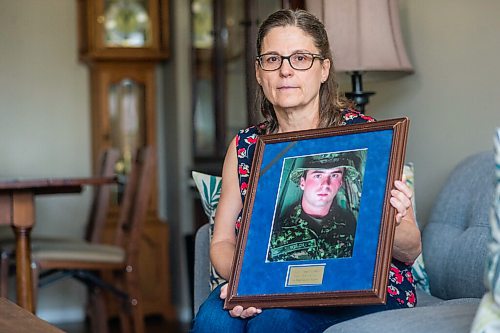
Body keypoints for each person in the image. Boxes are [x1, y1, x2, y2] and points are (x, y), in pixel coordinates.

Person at [191, 9, 421, 333]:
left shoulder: (366, 138)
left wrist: (388, 220)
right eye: (272, 59)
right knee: (212, 320)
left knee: (275, 319)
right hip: (269, 280)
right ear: (259, 72)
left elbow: (411, 249)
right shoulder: (245, 146)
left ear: (324, 68)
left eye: (300, 58)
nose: (285, 71)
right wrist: (253, 284)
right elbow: (222, 242)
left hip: (360, 286)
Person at [268, 152, 361, 261]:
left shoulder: (352, 230)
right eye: (318, 175)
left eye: (334, 175)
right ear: (302, 183)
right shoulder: (273, 232)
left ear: (340, 183)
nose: (326, 184)